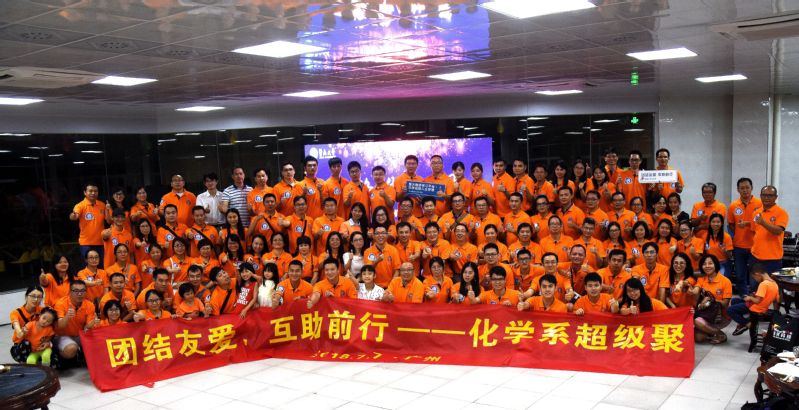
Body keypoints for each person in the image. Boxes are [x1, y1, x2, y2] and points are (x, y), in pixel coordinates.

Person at [727, 177, 763, 295]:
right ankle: (744, 298)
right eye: (742, 188)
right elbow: (731, 224)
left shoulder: (760, 203)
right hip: (739, 246)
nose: (745, 190)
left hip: (755, 246)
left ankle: (754, 300)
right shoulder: (733, 205)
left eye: (747, 187)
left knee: (755, 277)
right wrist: (739, 233)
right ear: (738, 189)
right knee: (740, 275)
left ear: (752, 188)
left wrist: (748, 225)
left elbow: (762, 223)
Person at [692, 254, 733, 344]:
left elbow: (725, 304)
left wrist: (710, 300)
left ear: (716, 265)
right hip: (706, 313)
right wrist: (689, 288)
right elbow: (695, 290)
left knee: (696, 321)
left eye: (710, 263)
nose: (707, 266)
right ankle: (710, 330)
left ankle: (720, 334)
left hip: (721, 315)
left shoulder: (726, 281)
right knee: (698, 338)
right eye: (704, 264)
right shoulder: (701, 279)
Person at [729, 263, 779, 335]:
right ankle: (743, 322)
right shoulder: (774, 284)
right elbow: (775, 300)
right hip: (762, 307)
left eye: (754, 277)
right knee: (735, 301)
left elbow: (757, 301)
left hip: (755, 308)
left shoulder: (763, 284)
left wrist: (750, 298)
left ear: (757, 274)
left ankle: (747, 323)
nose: (755, 280)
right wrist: (776, 312)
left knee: (730, 310)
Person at [54, 280, 98, 360]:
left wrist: (94, 322)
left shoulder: (90, 305)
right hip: (62, 336)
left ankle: (81, 355)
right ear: (70, 292)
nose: (80, 294)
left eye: (82, 291)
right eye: (76, 291)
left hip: (79, 335)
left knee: (99, 342)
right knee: (71, 349)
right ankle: (57, 357)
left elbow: (87, 328)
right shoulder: (60, 304)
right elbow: (60, 326)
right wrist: (67, 316)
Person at [751, 185, 790, 273]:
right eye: (764, 195)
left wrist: (763, 223)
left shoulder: (781, 212)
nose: (766, 198)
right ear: (760, 196)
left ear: (776, 197)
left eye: (770, 195)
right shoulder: (756, 212)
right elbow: (754, 232)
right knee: (754, 282)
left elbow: (778, 231)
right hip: (755, 257)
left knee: (771, 282)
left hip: (773, 259)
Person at [70, 183, 106, 266]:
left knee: (100, 267)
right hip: (86, 243)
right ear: (85, 192)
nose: (93, 193)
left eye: (95, 191)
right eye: (90, 191)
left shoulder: (102, 205)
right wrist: (73, 216)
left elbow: (110, 220)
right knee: (87, 267)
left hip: (101, 242)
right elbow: (75, 215)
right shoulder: (80, 205)